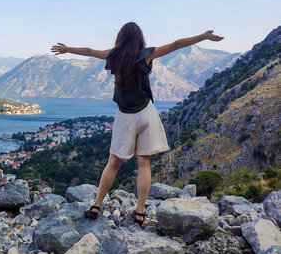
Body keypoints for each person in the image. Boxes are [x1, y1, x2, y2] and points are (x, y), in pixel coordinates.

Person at [51, 23, 224, 226]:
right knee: (144, 163)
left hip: (125, 115)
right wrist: (203, 36)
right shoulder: (145, 55)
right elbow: (176, 44)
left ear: (121, 37)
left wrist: (67, 49)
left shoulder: (113, 55)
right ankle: (140, 211)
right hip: (146, 113)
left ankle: (97, 204)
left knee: (114, 161)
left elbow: (89, 51)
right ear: (139, 38)